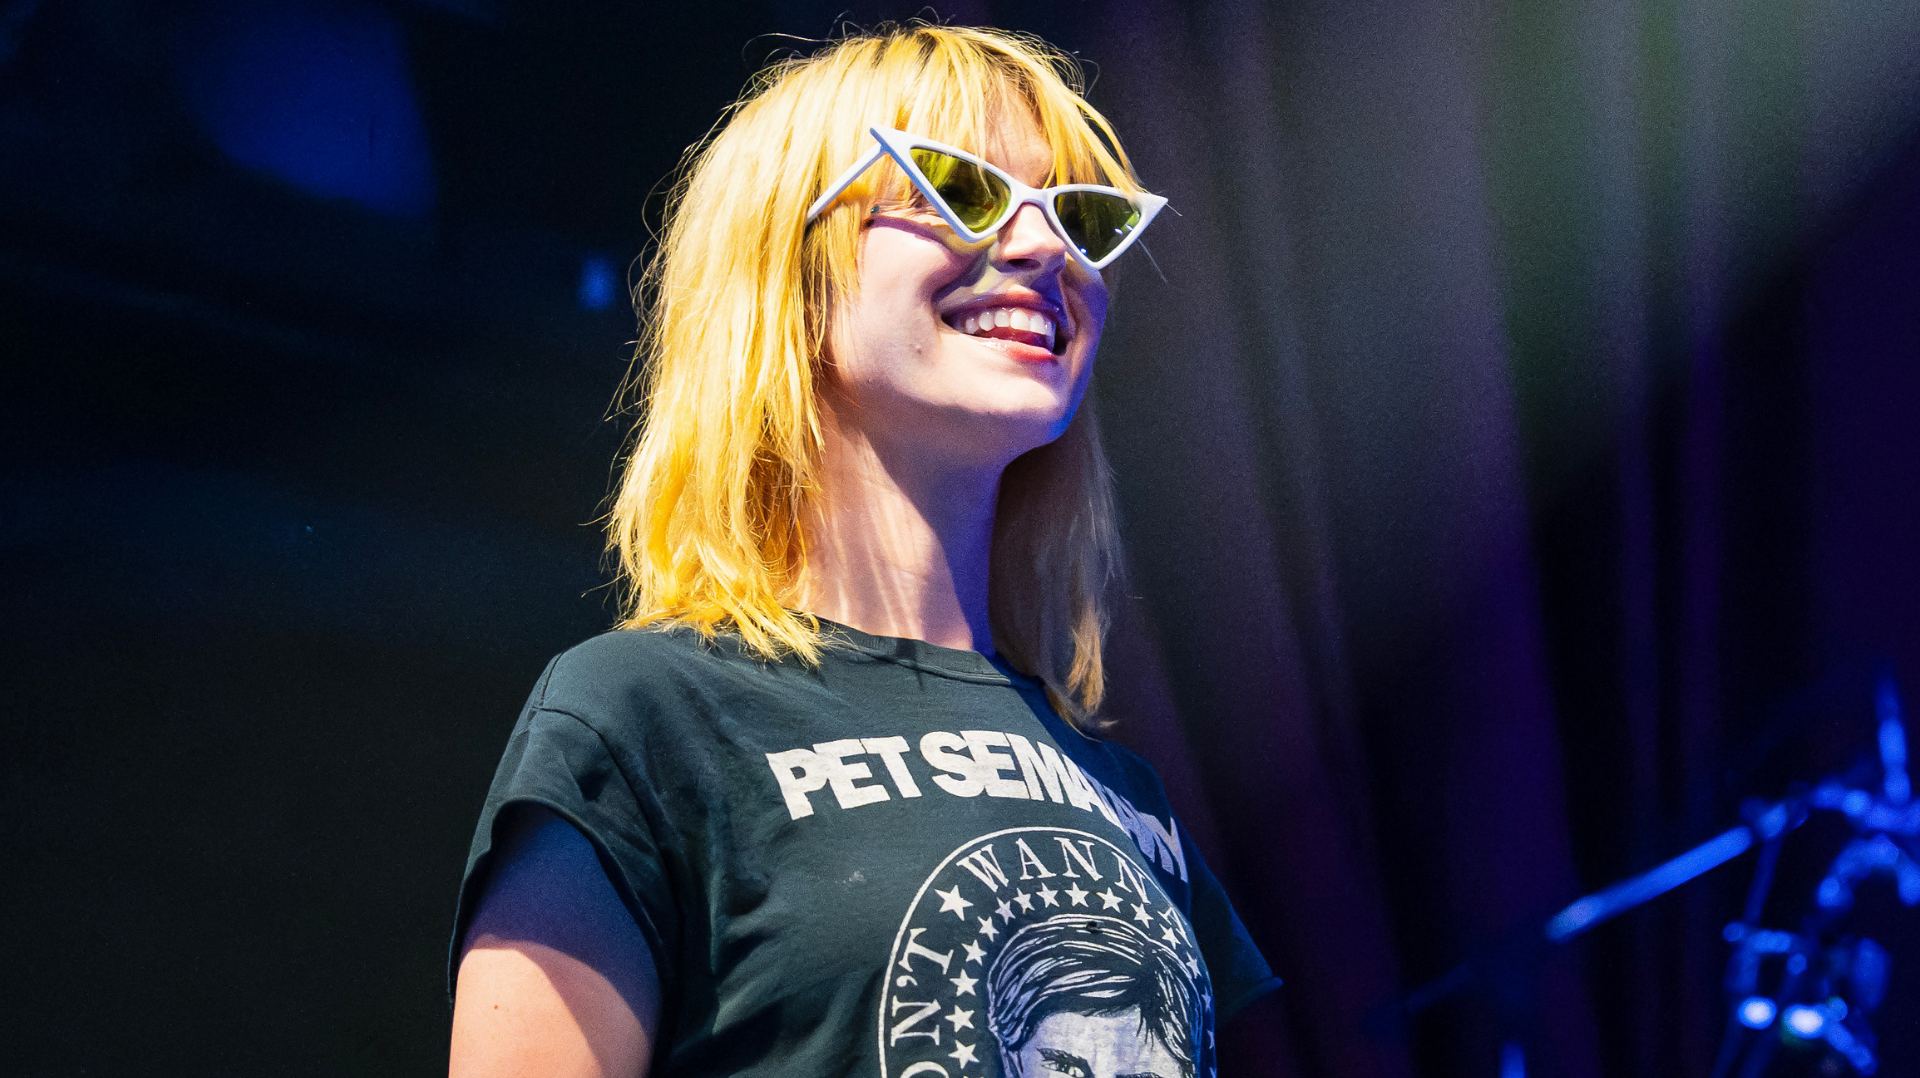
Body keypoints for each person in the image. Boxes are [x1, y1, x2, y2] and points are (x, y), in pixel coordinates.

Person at [448, 23, 1279, 1078]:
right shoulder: (643, 721)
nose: (1042, 250)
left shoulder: (1123, 790)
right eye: (961, 189)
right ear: (790, 267)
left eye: (1081, 218)